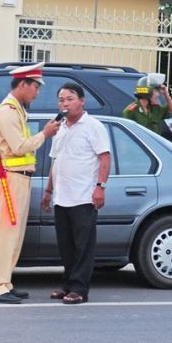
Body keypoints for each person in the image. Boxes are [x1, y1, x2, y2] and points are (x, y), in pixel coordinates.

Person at [0, 62, 60, 304]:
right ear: (23, 84)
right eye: (35, 87)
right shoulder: (7, 111)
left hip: (19, 179)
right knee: (4, 235)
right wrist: (45, 134)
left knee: (14, 236)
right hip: (10, 179)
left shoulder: (17, 110)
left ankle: (5, 282)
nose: (37, 92)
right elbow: (19, 147)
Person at [41, 82, 110, 304]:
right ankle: (69, 283)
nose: (65, 103)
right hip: (62, 196)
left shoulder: (93, 126)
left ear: (82, 101)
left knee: (83, 245)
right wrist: (49, 191)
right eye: (61, 100)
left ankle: (80, 289)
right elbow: (55, 161)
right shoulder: (59, 129)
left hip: (83, 196)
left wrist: (100, 186)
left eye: (70, 99)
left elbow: (104, 158)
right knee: (66, 245)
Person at [122, 74, 172, 146]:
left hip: (154, 148)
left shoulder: (155, 109)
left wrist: (166, 94)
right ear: (147, 93)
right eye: (155, 91)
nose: (158, 95)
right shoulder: (130, 112)